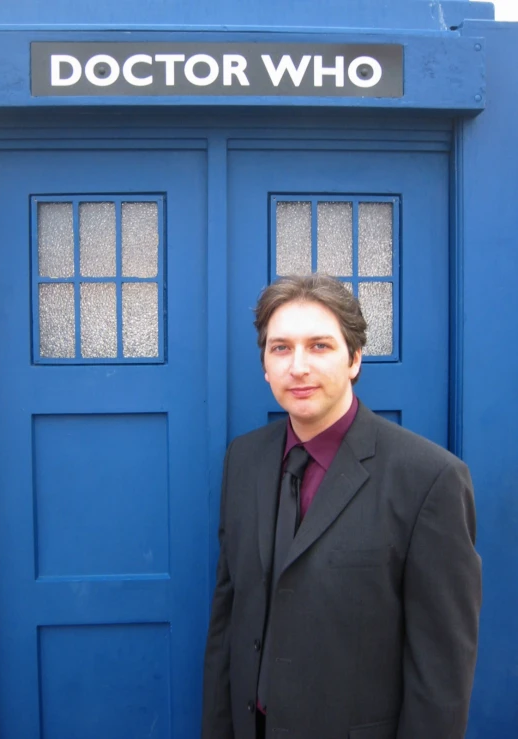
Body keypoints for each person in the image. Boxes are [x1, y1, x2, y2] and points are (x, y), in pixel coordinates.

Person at [202, 274, 481, 739]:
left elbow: (441, 673)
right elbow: (227, 622)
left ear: (354, 359)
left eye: (319, 347)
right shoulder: (244, 459)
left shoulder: (429, 478)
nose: (298, 367)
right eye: (281, 348)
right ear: (265, 365)